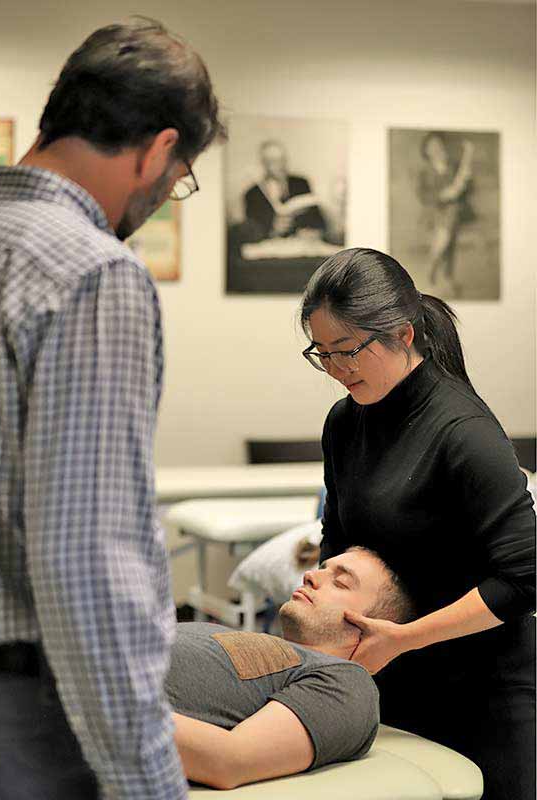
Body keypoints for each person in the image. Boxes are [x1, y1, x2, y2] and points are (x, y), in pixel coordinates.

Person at [0, 18, 224, 800]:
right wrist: (148, 779)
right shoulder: (90, 273)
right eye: (180, 178)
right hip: (19, 715)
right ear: (159, 151)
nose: (167, 197)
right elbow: (85, 560)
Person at [299, 247, 536, 800]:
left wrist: (403, 639)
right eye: (321, 352)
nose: (335, 369)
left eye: (347, 350)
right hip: (388, 677)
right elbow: (339, 540)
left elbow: (524, 578)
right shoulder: (344, 422)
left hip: (481, 692)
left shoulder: (464, 432)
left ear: (403, 335)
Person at [167, 546, 415, 789]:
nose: (310, 575)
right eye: (321, 568)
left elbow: (228, 760)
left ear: (373, 629)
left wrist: (128, 706)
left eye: (340, 582)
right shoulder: (254, 643)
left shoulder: (348, 682)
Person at [417, 131, 475, 297]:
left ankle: (447, 279)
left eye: (438, 145)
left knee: (450, 247)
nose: (436, 149)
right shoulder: (425, 172)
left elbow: (463, 184)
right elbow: (423, 195)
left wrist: (462, 185)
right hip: (436, 213)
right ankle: (429, 280)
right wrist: (442, 195)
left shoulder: (452, 167)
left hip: (454, 212)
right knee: (439, 245)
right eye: (431, 146)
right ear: (426, 151)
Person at [243, 139, 327, 241]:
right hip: (270, 249)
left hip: (301, 245)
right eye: (273, 161)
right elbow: (251, 231)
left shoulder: (301, 184)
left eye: (282, 160)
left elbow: (319, 220)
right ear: (263, 164)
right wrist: (272, 229)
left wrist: (313, 231)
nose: (280, 165)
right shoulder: (252, 194)